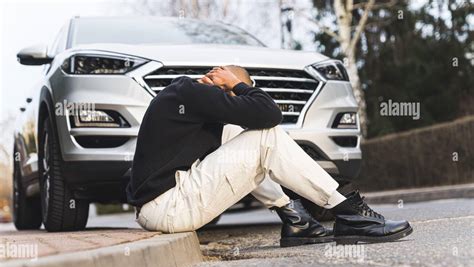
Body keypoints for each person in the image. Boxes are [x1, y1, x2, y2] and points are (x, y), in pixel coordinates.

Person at [126, 66, 412, 247]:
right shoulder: (191, 91)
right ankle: (348, 213)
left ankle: (297, 221)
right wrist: (240, 86)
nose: (233, 104)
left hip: (159, 208)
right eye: (233, 97)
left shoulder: (183, 98)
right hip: (169, 208)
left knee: (239, 134)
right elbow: (268, 114)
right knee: (266, 136)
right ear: (222, 82)